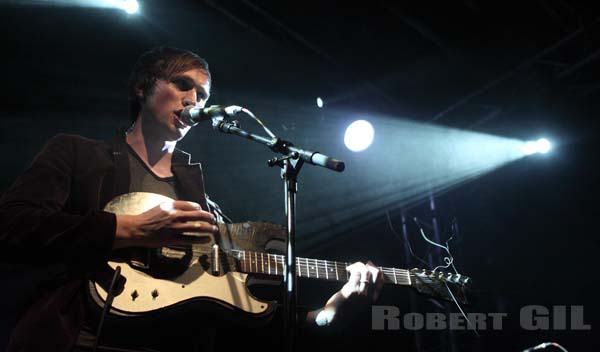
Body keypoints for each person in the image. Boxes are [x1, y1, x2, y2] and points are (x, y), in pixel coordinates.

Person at [0, 46, 384, 352]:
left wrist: (333, 307)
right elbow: (12, 225)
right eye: (183, 85)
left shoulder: (204, 206)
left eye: (202, 94)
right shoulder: (78, 154)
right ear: (143, 87)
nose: (193, 100)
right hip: (79, 338)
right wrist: (128, 228)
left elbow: (245, 315)